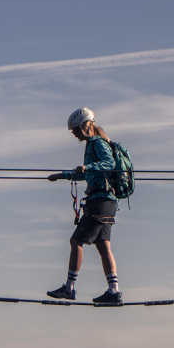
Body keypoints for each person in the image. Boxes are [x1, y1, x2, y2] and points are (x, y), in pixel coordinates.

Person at [46, 107, 123, 304]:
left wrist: (88, 166)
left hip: (100, 201)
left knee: (76, 241)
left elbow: (110, 163)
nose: (76, 135)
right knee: (103, 245)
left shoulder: (96, 143)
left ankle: (69, 287)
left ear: (86, 125)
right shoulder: (92, 144)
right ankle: (113, 291)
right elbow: (86, 174)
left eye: (77, 130)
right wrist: (61, 176)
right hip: (105, 202)